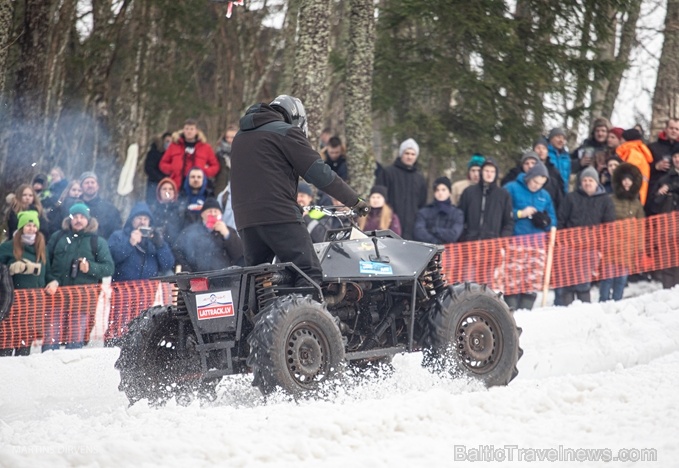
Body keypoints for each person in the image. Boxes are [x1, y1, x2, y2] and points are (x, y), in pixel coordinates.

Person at [230, 95, 367, 286]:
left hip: (246, 220)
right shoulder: (286, 132)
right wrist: (355, 201)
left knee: (259, 281)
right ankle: (306, 316)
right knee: (308, 273)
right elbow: (320, 174)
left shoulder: (240, 137)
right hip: (279, 215)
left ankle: (262, 315)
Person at [44, 203, 114, 350]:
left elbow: (109, 268)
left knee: (74, 345)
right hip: (56, 297)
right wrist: (51, 279)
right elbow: (45, 262)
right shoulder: (58, 237)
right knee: (50, 343)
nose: (78, 219)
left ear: (88, 220)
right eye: (75, 216)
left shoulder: (97, 241)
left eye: (82, 217)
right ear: (70, 219)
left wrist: (91, 267)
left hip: (82, 301)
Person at [556, 166, 616, 306]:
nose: (587, 183)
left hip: (590, 249)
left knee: (583, 282)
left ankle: (585, 310)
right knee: (567, 283)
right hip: (569, 248)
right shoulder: (571, 198)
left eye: (590, 180)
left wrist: (602, 247)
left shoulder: (605, 200)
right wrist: (561, 242)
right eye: (585, 180)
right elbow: (561, 220)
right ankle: (565, 311)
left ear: (596, 182)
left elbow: (608, 225)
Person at [503, 161, 556, 310]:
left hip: (537, 245)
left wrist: (545, 221)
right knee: (512, 280)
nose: (536, 186)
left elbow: (552, 219)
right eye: (535, 182)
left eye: (541, 183)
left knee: (532, 281)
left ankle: (527, 312)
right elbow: (501, 211)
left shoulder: (545, 195)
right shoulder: (511, 188)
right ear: (529, 177)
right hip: (516, 241)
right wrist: (520, 213)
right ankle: (510, 312)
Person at [0, 211, 51, 356]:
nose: (32, 228)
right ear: (21, 227)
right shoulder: (8, 246)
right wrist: (11, 269)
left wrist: (53, 281)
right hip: (12, 301)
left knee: (25, 340)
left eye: (34, 225)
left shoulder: (42, 247)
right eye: (28, 225)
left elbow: (49, 272)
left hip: (33, 302)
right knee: (7, 340)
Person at [599, 163, 644, 302]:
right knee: (607, 277)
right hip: (610, 245)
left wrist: (640, 248)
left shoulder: (637, 203)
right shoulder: (609, 199)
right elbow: (602, 221)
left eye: (629, 180)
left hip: (628, 247)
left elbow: (641, 225)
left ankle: (617, 302)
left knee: (621, 278)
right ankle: (603, 302)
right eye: (624, 179)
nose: (626, 182)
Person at [108, 202, 175, 281]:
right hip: (123, 288)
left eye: (145, 219)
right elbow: (111, 259)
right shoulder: (119, 236)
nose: (142, 222)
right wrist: (129, 244)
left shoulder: (154, 239)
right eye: (139, 218)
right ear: (132, 220)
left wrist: (160, 246)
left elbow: (167, 265)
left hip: (148, 289)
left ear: (149, 222)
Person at [375, 138, 427, 240]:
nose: (409, 157)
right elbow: (380, 198)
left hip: (412, 228)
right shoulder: (388, 173)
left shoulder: (419, 178)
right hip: (389, 225)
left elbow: (422, 203)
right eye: (407, 153)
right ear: (401, 154)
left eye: (413, 154)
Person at [173, 198, 243, 272]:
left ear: (221, 214)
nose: (213, 214)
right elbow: (178, 252)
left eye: (215, 211)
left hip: (224, 276)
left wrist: (227, 234)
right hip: (199, 278)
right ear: (202, 214)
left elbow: (239, 254)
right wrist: (188, 273)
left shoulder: (229, 231)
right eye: (209, 211)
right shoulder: (191, 231)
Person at [458, 158, 514, 241]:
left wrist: (502, 240)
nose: (489, 174)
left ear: (496, 173)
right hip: (470, 243)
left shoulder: (503, 195)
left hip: (492, 244)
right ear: (481, 172)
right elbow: (460, 217)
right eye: (486, 171)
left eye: (492, 171)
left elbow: (508, 222)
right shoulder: (469, 192)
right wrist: (464, 237)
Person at [646, 151, 679, 288]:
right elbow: (653, 202)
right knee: (668, 257)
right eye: (675, 156)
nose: (677, 159)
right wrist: (661, 194)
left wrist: (671, 188)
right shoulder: (663, 179)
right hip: (667, 223)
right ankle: (668, 290)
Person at [159, 118, 220, 190]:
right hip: (177, 185)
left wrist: (203, 172)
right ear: (183, 130)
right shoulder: (174, 145)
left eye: (191, 129)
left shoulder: (205, 147)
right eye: (187, 129)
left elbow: (215, 166)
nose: (189, 131)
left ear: (196, 131)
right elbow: (163, 163)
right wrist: (173, 168)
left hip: (198, 186)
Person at [413, 177, 463, 244]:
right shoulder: (424, 212)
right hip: (428, 250)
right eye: (437, 190)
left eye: (443, 190)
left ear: (449, 192)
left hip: (449, 252)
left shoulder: (457, 213)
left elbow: (453, 235)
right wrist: (435, 241)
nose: (440, 193)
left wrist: (434, 230)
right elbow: (419, 232)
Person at [79, 171, 122, 240]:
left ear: (97, 186)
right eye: (86, 183)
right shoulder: (73, 205)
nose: (90, 185)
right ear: (81, 187)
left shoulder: (110, 209)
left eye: (92, 182)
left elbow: (116, 232)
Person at [615, 128, 653, 206]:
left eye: (622, 139)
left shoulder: (634, 154)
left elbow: (629, 174)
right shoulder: (637, 152)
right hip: (637, 193)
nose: (620, 141)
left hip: (632, 194)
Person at [647, 118, 679, 211]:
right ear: (665, 129)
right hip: (656, 194)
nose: (674, 131)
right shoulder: (653, 147)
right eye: (671, 128)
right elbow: (643, 169)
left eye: (677, 129)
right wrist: (656, 167)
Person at [152, 177, 184, 249]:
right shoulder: (152, 209)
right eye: (164, 189)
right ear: (159, 192)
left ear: (174, 192)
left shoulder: (180, 210)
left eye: (170, 189)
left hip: (173, 248)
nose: (167, 191)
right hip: (154, 246)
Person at [533, 138, 564, 211]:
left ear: (547, 151)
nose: (541, 151)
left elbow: (560, 194)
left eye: (544, 148)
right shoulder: (526, 167)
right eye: (538, 148)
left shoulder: (554, 171)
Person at [144, 132, 172, 206]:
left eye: (171, 141)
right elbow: (148, 168)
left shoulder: (175, 155)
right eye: (167, 141)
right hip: (154, 184)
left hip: (170, 185)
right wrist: (161, 178)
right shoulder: (154, 152)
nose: (169, 144)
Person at [214, 125, 238, 195]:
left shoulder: (243, 153)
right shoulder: (218, 153)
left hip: (238, 188)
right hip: (221, 187)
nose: (229, 140)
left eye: (232, 137)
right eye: (227, 137)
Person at [547, 127, 571, 193]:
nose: (561, 140)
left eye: (563, 138)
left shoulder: (566, 156)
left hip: (563, 192)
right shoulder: (545, 153)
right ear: (551, 138)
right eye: (558, 137)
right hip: (549, 192)